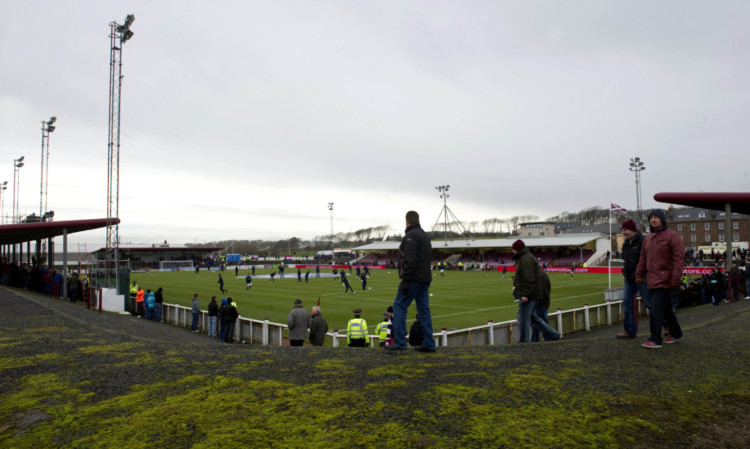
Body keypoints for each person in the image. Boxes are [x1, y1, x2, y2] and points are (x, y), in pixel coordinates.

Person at [385, 211, 436, 353]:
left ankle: (400, 342)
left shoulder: (411, 236)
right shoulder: (425, 236)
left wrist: (406, 280)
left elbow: (410, 260)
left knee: (399, 306)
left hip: (414, 278)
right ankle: (429, 343)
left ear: (406, 222)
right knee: (424, 310)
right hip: (425, 278)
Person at [636, 209, 684, 349]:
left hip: (665, 280)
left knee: (655, 308)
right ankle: (676, 333)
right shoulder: (648, 238)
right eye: (651, 218)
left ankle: (655, 339)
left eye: (656, 217)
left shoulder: (672, 236)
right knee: (667, 309)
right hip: (652, 279)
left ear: (662, 219)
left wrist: (675, 278)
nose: (653, 220)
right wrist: (638, 274)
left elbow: (679, 258)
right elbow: (643, 258)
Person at [512, 239, 560, 343]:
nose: (512, 251)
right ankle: (554, 334)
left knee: (522, 318)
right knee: (534, 318)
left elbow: (529, 278)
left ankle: (524, 341)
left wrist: (525, 294)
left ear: (517, 249)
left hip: (529, 295)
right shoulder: (526, 258)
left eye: (513, 249)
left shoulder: (525, 259)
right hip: (533, 294)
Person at [617, 219, 652, 339]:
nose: (624, 232)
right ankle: (630, 331)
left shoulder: (643, 241)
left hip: (642, 277)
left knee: (649, 303)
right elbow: (627, 260)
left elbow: (648, 259)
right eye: (622, 230)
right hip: (629, 278)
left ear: (632, 229)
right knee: (626, 303)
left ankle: (666, 325)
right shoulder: (626, 243)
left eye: (625, 229)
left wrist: (641, 273)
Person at [530, 269, 560, 342]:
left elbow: (542, 290)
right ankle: (536, 341)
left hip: (540, 303)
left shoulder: (539, 275)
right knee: (537, 323)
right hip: (541, 302)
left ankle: (550, 338)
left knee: (541, 323)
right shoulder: (541, 273)